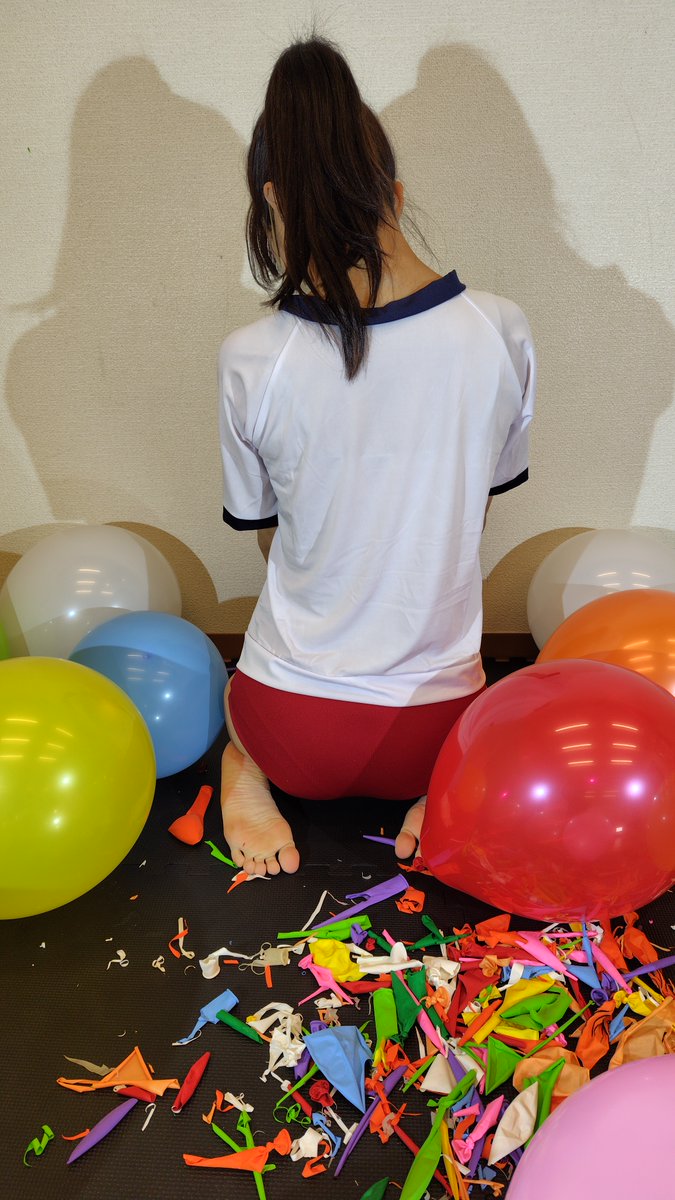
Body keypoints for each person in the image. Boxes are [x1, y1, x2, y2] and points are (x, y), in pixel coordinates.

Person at [218, 36, 535, 878]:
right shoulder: (500, 330)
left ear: (275, 202)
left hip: (292, 727)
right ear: (394, 192)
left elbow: (270, 536)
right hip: (436, 732)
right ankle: (443, 793)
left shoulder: (249, 356)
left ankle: (246, 767)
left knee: (237, 694)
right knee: (482, 707)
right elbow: (471, 513)